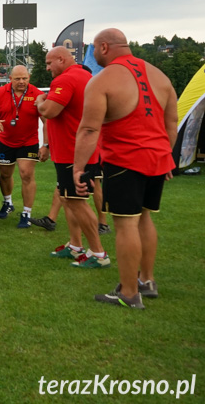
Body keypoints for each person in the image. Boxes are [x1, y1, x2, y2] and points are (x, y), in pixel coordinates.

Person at [74, 29, 177, 309]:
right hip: (157, 160)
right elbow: (171, 124)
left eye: (94, 49)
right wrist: (166, 155)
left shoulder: (103, 80)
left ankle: (130, 293)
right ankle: (147, 280)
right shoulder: (160, 76)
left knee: (125, 224)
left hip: (125, 161)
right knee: (145, 218)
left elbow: (89, 129)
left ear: (104, 47)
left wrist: (78, 168)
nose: (93, 54)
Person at [36, 46, 108, 268]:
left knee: (77, 202)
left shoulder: (66, 79)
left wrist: (39, 101)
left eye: (49, 63)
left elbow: (49, 111)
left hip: (72, 152)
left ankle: (98, 253)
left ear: (61, 58)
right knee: (68, 199)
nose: (48, 69)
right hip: (78, 149)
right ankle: (76, 246)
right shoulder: (86, 76)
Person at [0, 65, 48, 228]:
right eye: (18, 79)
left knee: (27, 174)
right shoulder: (0, 92)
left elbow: (47, 121)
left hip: (28, 142)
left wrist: (46, 145)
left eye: (25, 78)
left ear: (29, 78)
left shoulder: (37, 94)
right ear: (10, 79)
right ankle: (8, 202)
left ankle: (26, 213)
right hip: (5, 141)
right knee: (4, 175)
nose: (22, 82)